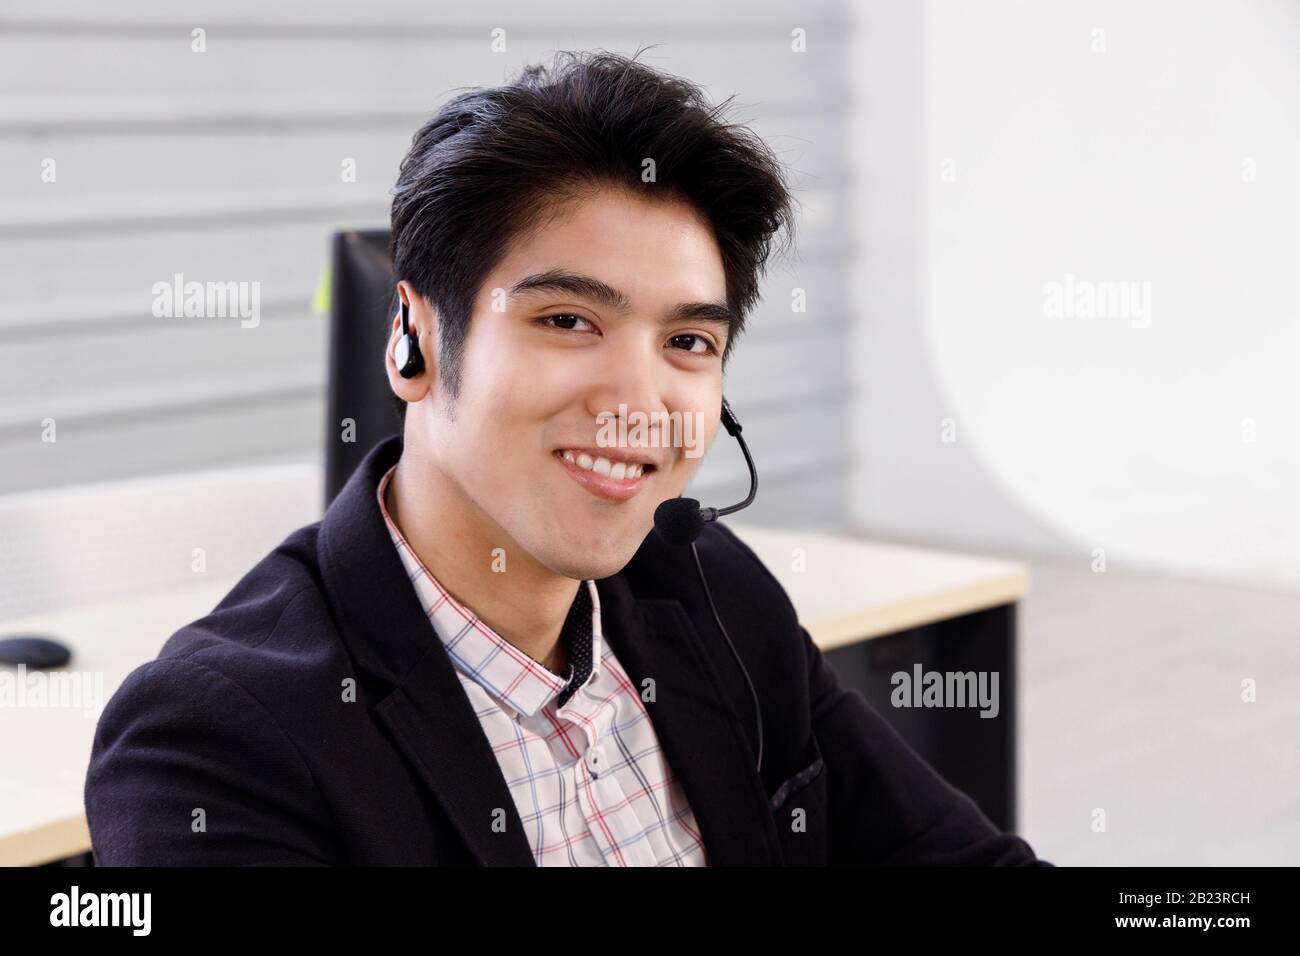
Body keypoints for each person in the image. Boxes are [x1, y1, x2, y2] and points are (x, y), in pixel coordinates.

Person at [85, 49, 1050, 866]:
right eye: (567, 319)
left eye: (688, 344)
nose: (639, 403)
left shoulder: (714, 592)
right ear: (411, 339)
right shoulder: (215, 743)